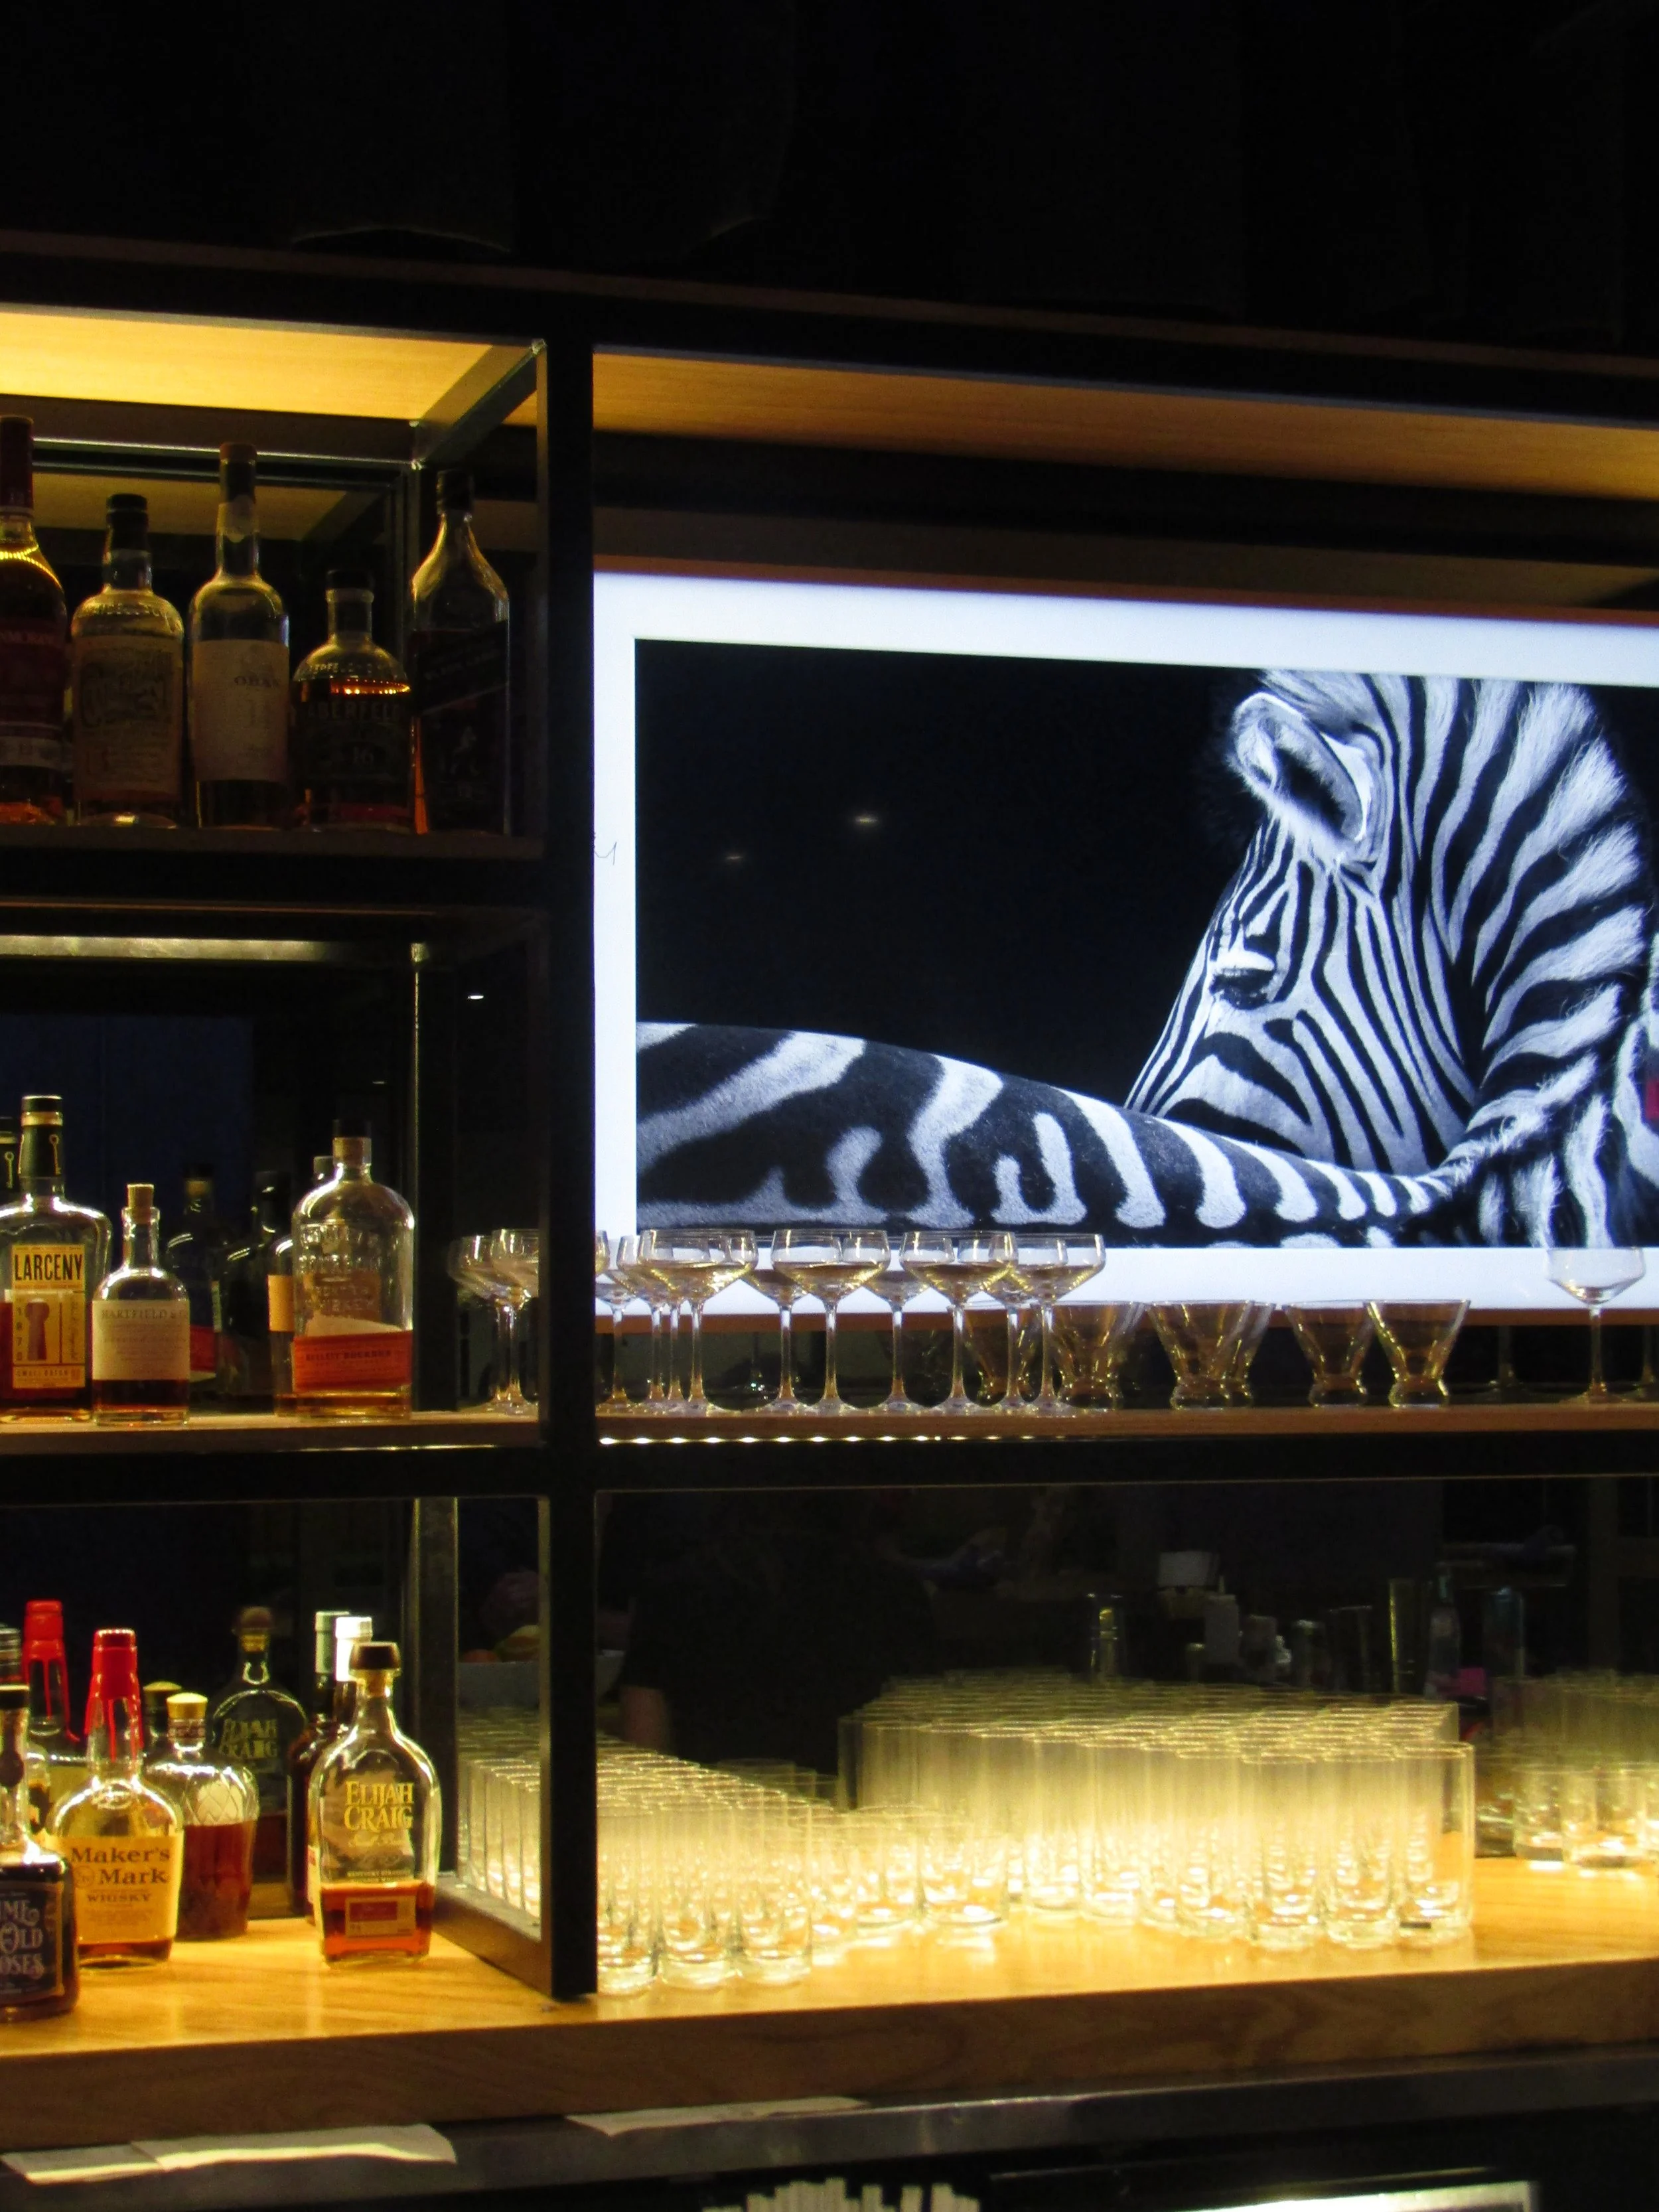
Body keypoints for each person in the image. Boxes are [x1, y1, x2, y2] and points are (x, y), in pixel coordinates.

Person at [616, 1493, 936, 1774]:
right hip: (870, 1824)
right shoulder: (893, 1590)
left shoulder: (675, 1589)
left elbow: (647, 1754)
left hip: (710, 1829)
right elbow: (924, 1742)